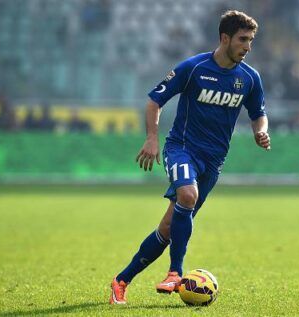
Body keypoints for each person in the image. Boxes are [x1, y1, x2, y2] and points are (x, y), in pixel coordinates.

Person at [109, 10, 271, 305]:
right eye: (243, 39)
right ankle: (175, 272)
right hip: (182, 148)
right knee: (187, 194)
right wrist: (152, 138)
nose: (248, 46)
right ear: (225, 38)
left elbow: (259, 114)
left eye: (251, 40)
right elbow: (154, 100)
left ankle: (121, 280)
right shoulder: (194, 68)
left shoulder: (249, 78)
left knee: (169, 228)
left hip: (214, 162)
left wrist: (261, 131)